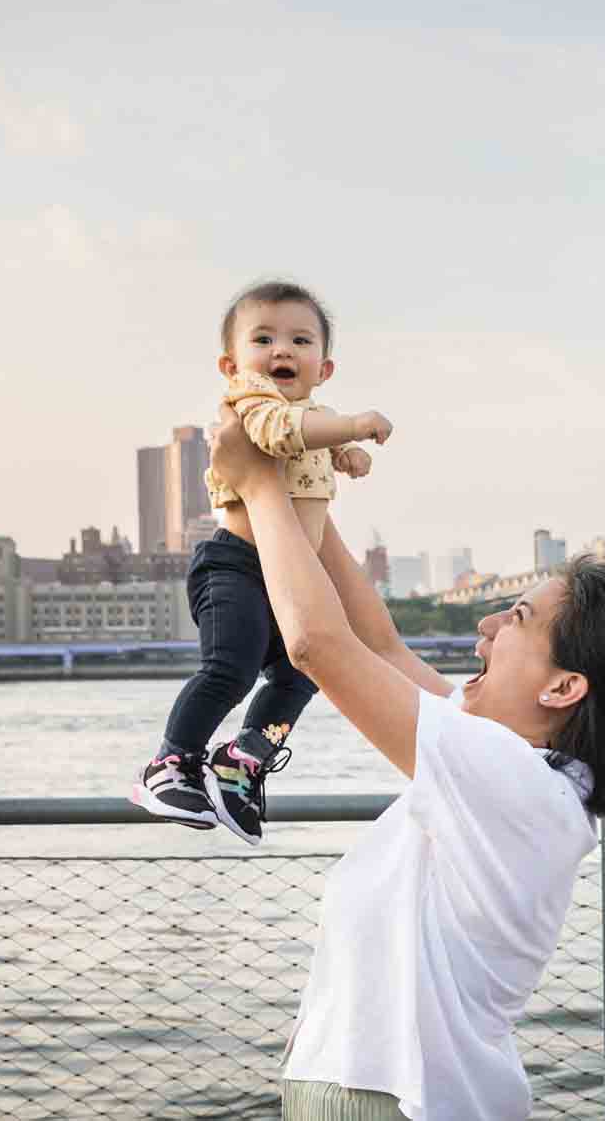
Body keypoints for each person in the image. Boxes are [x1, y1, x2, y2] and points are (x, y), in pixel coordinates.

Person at [207, 408, 605, 1121]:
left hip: (400, 1104)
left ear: (562, 688)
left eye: (515, 617)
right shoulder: (509, 765)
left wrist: (260, 484)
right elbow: (380, 645)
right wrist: (309, 490)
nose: (485, 626)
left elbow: (318, 648)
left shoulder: (511, 781)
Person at [130, 279, 394, 843]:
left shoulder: (312, 416)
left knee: (303, 672)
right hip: (238, 567)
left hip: (291, 575)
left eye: (301, 340)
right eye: (264, 338)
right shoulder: (249, 404)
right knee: (233, 667)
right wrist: (352, 427)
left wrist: (344, 454)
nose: (282, 350)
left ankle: (245, 758)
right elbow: (282, 434)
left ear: (323, 368)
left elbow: (308, 438)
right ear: (232, 365)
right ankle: (171, 762)